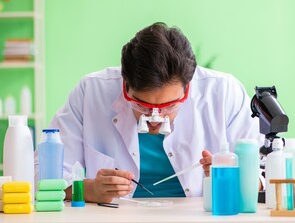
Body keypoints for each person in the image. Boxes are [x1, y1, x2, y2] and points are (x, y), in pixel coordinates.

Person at [34, 22, 262, 203]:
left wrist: (234, 177)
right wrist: (88, 189)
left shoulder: (223, 92)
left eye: (169, 106)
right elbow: (41, 175)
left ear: (188, 87)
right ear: (125, 83)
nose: (155, 119)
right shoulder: (91, 92)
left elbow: (265, 174)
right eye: (141, 105)